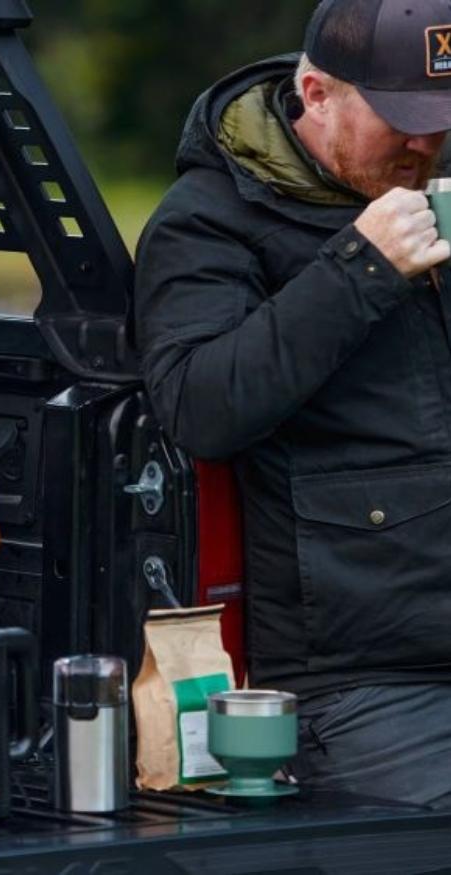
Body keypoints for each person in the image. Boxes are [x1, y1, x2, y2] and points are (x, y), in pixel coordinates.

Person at [135, 0, 451, 808]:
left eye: (441, 120)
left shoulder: (429, 187)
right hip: (365, 677)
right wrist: (362, 266)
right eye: (401, 120)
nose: (423, 143)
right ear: (315, 93)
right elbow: (199, 405)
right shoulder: (209, 222)